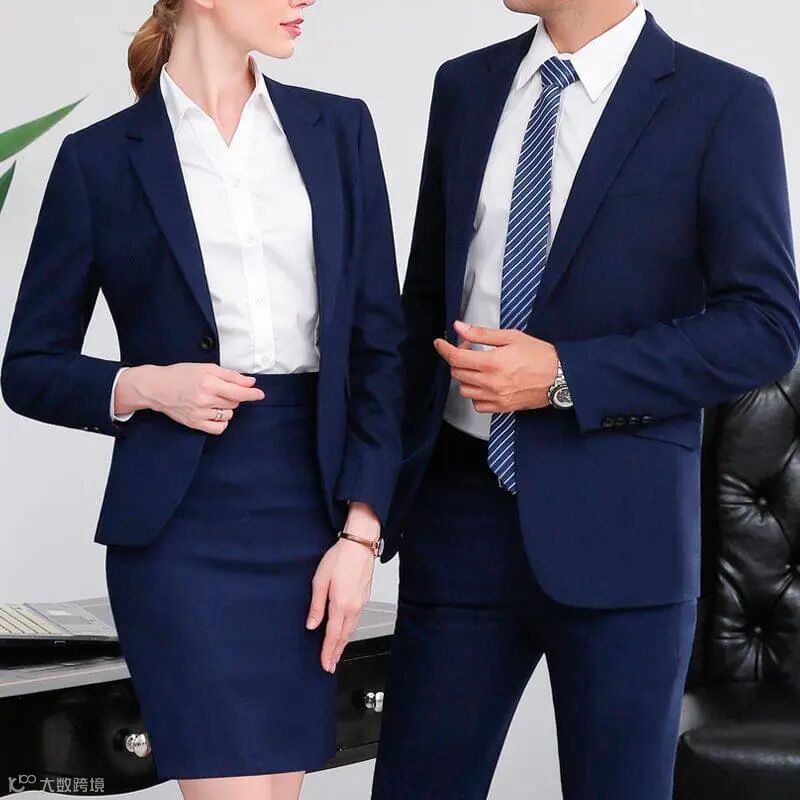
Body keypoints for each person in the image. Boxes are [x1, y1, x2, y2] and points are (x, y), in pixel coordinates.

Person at [371, 1, 800, 798]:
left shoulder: (722, 102)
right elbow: (422, 301)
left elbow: (766, 327)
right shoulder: (466, 86)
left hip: (624, 527)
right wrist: (364, 506)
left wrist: (567, 373)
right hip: (458, 516)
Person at [1, 1, 404, 798]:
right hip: (180, 532)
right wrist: (146, 385)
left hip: (313, 514)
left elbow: (379, 348)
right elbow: (29, 366)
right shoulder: (98, 159)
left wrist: (363, 533)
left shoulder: (339, 130)